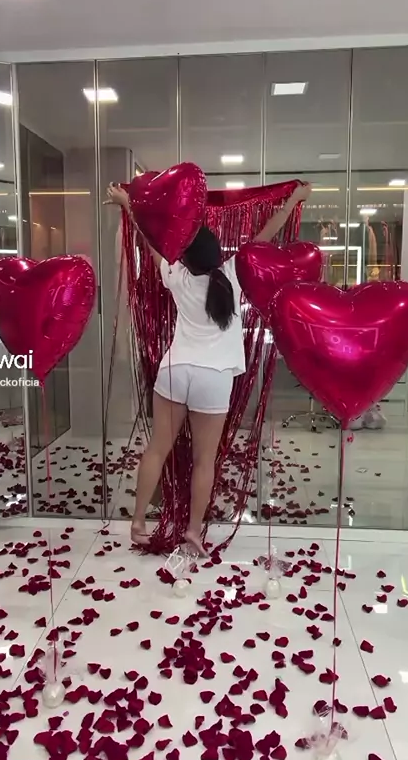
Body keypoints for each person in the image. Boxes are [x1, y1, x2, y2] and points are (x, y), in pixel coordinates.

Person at [105, 180, 311, 556]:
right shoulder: (234, 273)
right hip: (213, 378)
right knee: (204, 460)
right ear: (217, 253)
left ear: (186, 258)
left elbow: (150, 244)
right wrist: (294, 200)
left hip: (175, 370)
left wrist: (128, 206)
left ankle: (137, 523)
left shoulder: (176, 275)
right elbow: (265, 236)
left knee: (157, 450)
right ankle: (193, 532)